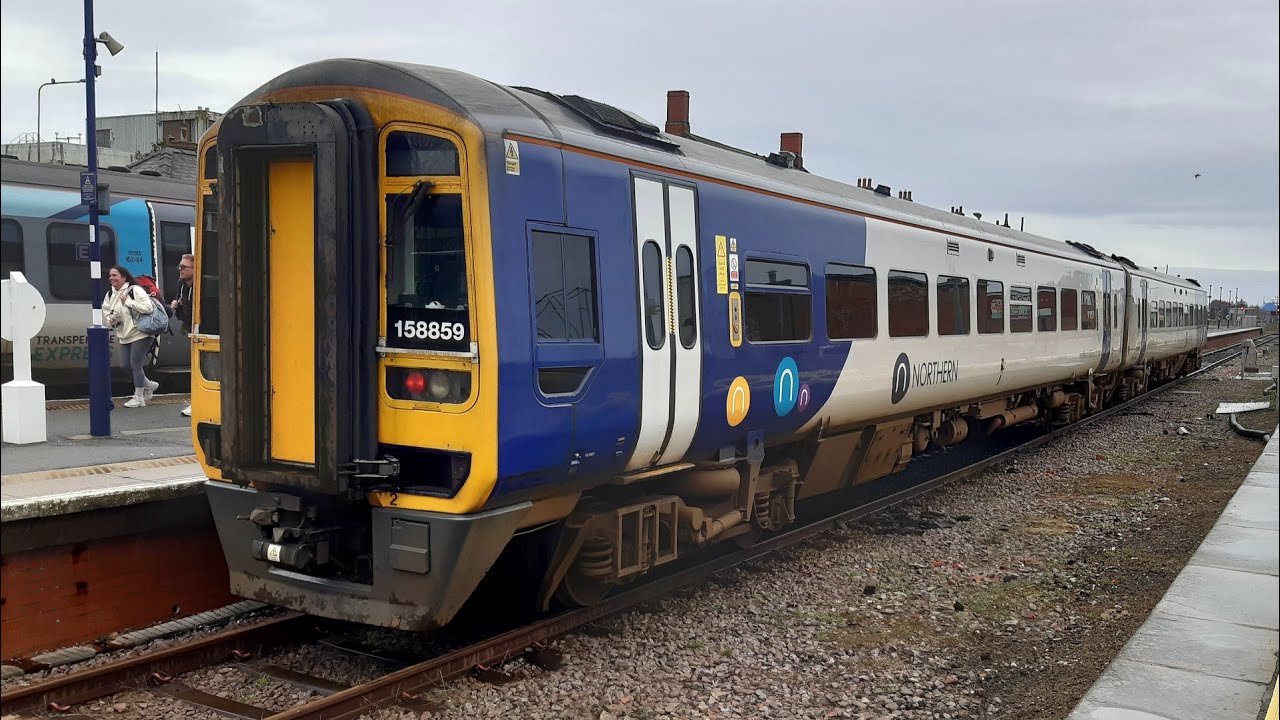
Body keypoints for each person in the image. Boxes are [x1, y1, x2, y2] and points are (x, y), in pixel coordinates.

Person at [102, 265, 159, 408]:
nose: (111, 278)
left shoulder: (135, 290)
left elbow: (148, 308)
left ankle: (138, 397)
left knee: (135, 363)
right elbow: (107, 312)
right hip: (124, 333)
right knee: (125, 365)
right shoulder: (110, 295)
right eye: (110, 276)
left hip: (141, 332)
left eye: (115, 275)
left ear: (124, 277)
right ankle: (149, 385)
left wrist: (128, 302)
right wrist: (111, 319)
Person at [171, 254, 196, 417]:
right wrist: (176, 306)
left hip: (205, 330)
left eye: (184, 267)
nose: (180, 269)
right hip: (191, 330)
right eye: (180, 266)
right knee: (195, 366)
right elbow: (183, 313)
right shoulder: (182, 285)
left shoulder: (203, 285)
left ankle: (198, 403)